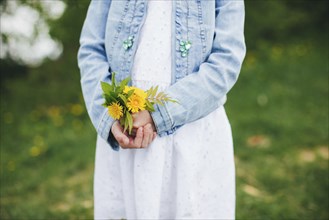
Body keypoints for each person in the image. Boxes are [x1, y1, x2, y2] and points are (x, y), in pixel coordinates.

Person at [78, 0, 246, 219]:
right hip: (125, 132)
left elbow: (226, 61)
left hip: (192, 135)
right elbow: (92, 49)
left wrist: (158, 114)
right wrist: (110, 116)